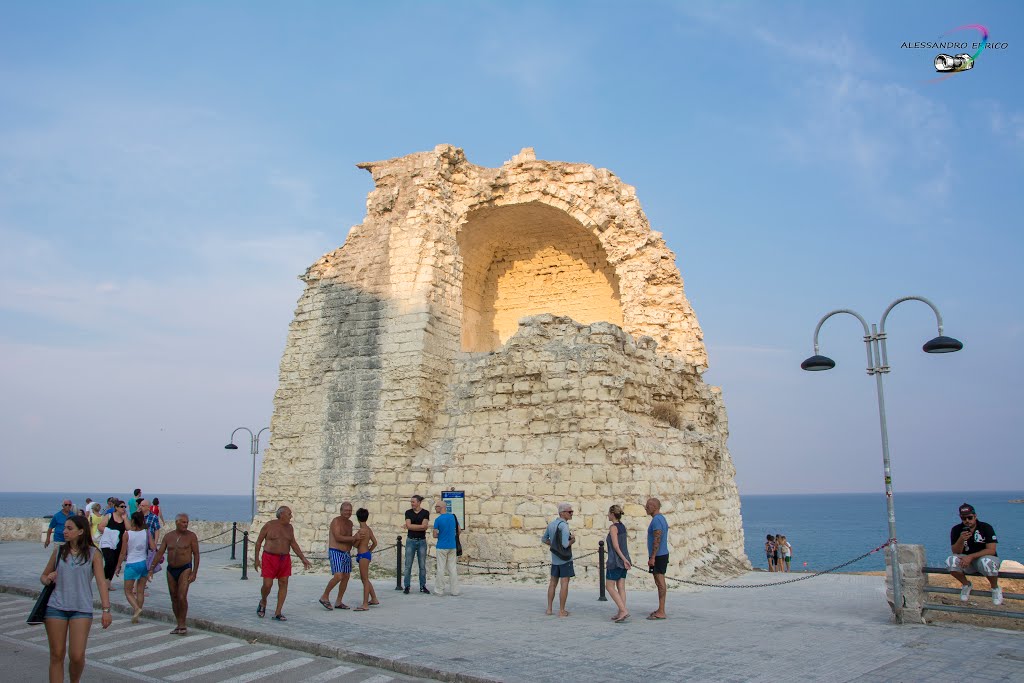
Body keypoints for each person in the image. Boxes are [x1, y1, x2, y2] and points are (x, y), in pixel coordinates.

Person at [40, 514, 112, 683]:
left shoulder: (94, 554)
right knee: (56, 655)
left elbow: (102, 583)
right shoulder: (59, 551)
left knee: (77, 656)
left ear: (81, 531)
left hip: (81, 609)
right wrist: (48, 578)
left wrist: (106, 610)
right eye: (64, 528)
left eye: (69, 528)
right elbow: (43, 576)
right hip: (56, 607)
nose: (64, 531)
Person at [254, 506, 312, 621]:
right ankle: (263, 600)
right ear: (282, 515)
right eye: (289, 514)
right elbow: (259, 542)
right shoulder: (269, 525)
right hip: (269, 558)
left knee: (283, 583)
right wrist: (257, 559)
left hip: (284, 558)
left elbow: (293, 544)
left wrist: (303, 558)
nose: (291, 516)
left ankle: (278, 612)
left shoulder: (289, 528)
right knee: (267, 584)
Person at [149, 513, 200, 634]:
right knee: (174, 597)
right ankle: (178, 623)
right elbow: (160, 553)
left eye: (187, 522)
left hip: (185, 568)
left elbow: (196, 554)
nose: (185, 524)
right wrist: (151, 568)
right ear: (177, 522)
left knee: (182, 596)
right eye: (183, 522)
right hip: (171, 569)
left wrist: (194, 572)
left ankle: (183, 624)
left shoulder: (191, 536)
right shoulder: (168, 536)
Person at [946, 502, 1002, 606]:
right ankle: (966, 585)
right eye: (964, 518)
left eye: (970, 517)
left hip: (983, 559)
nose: (967, 521)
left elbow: (991, 550)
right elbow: (956, 551)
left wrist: (970, 557)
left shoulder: (986, 527)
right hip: (967, 563)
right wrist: (961, 539)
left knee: (986, 562)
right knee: (951, 561)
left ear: (975, 516)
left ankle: (995, 588)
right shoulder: (956, 530)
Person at [319, 502, 358, 610]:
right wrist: (354, 538)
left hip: (346, 553)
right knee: (338, 576)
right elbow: (338, 537)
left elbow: (350, 539)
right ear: (341, 511)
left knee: (346, 577)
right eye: (346, 510)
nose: (348, 512)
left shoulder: (350, 523)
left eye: (350, 510)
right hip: (336, 551)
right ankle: (324, 596)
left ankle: (339, 601)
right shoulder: (336, 521)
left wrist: (359, 541)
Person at [118, 511, 155, 623]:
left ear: (132, 521)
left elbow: (123, 553)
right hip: (143, 563)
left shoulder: (127, 534)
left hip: (132, 564)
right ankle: (137, 615)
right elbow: (153, 547)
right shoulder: (146, 532)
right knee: (140, 591)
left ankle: (136, 608)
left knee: (128, 591)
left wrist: (118, 566)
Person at [542, 502, 576, 617]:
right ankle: (561, 610)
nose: (571, 514)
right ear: (562, 513)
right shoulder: (564, 526)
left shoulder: (551, 524)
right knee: (564, 583)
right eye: (569, 512)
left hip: (555, 559)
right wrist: (573, 541)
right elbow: (565, 545)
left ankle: (549, 609)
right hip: (565, 560)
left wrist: (554, 546)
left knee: (552, 583)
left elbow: (544, 539)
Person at [605, 504, 632, 623]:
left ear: (612, 514)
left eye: (608, 513)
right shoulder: (623, 526)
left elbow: (616, 546)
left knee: (609, 586)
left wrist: (623, 559)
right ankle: (621, 611)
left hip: (615, 561)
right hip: (624, 559)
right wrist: (626, 559)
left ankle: (623, 610)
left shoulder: (613, 527)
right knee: (621, 586)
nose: (607, 515)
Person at [645, 497, 669, 620]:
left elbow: (657, 539)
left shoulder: (657, 521)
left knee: (660, 583)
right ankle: (661, 609)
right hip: (660, 555)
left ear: (654, 507)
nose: (645, 507)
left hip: (659, 556)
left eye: (648, 505)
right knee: (659, 582)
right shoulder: (660, 519)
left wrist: (653, 557)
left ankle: (661, 611)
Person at [352, 507, 379, 611]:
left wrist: (355, 539)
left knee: (364, 579)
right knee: (366, 579)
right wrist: (370, 550)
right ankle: (374, 598)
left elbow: (355, 544)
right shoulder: (368, 529)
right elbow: (375, 543)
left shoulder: (361, 531)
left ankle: (365, 604)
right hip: (366, 554)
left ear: (358, 518)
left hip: (362, 555)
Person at [403, 494, 430, 594]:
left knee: (422, 565)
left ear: (419, 502)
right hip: (411, 540)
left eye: (413, 502)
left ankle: (422, 586)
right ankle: (407, 586)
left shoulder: (425, 513)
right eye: (411, 502)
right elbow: (420, 526)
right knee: (408, 565)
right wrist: (420, 527)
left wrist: (410, 526)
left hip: (421, 541)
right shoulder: (408, 512)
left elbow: (423, 526)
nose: (412, 504)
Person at [432, 499, 460, 596]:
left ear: (441, 507)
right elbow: (459, 530)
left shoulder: (438, 520)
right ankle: (455, 590)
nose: (435, 508)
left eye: (436, 506)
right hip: (452, 545)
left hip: (442, 546)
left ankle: (439, 590)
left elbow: (435, 534)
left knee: (440, 568)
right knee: (452, 568)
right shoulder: (453, 517)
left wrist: (441, 535)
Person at [99, 500, 127, 591]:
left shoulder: (124, 518)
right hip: (107, 543)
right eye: (121, 506)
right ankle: (103, 581)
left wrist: (126, 518)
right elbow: (100, 527)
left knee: (114, 563)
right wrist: (111, 532)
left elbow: (129, 528)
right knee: (109, 561)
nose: (123, 508)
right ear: (116, 507)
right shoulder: (109, 516)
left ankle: (108, 583)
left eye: (124, 507)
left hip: (118, 543)